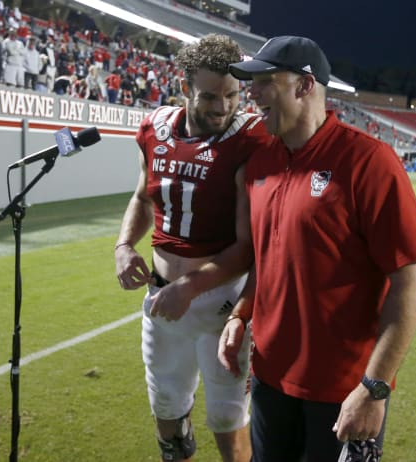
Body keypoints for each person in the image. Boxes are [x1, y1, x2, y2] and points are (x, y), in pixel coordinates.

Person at [217, 36, 416, 461]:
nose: (252, 92)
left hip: (343, 390)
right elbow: (267, 258)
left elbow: (411, 284)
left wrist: (375, 388)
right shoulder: (260, 162)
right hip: (269, 382)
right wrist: (242, 313)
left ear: (304, 85)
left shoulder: (369, 161)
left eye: (264, 81)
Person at [114, 34, 270, 462]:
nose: (223, 107)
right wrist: (125, 245)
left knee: (226, 416)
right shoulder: (154, 128)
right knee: (166, 408)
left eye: (232, 95)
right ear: (184, 88)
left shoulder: (249, 139)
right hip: (162, 296)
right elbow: (143, 197)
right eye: (210, 96)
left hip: (222, 302)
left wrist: (191, 287)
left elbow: (247, 247)